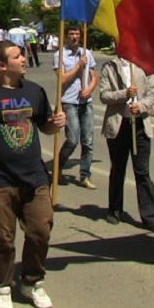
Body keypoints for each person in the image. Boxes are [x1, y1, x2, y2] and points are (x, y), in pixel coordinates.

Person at [0, 41, 66, 308]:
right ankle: (3, 286)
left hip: (34, 177)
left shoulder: (34, 91)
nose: (24, 59)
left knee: (41, 229)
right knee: (2, 237)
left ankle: (32, 281)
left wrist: (54, 126)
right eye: (18, 56)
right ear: (2, 65)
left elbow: (43, 125)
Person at [98, 55, 154, 232]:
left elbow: (152, 93)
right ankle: (115, 210)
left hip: (140, 125)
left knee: (142, 172)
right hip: (118, 125)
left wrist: (141, 106)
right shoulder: (109, 67)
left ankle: (149, 216)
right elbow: (104, 95)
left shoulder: (144, 64)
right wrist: (124, 94)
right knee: (118, 169)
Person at [54, 25, 98, 189]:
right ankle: (59, 166)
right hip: (69, 101)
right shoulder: (59, 55)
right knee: (72, 140)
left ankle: (84, 175)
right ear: (66, 36)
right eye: (71, 34)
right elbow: (62, 80)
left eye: (77, 34)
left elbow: (94, 77)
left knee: (88, 141)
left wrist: (89, 89)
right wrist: (78, 66)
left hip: (85, 102)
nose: (74, 36)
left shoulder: (87, 53)